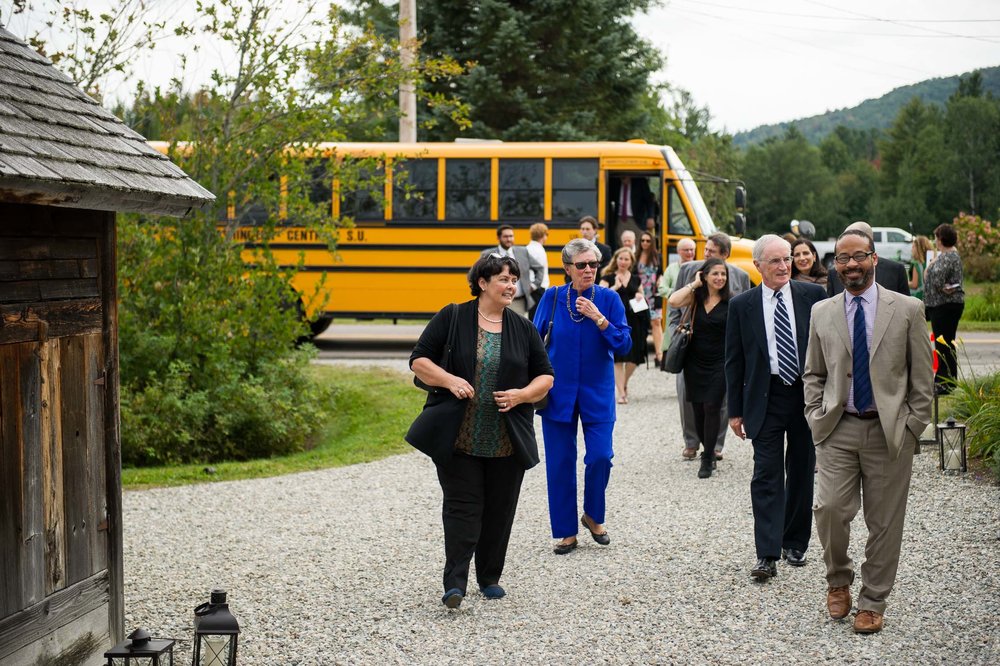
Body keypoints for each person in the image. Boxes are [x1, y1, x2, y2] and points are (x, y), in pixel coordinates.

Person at [804, 228, 933, 634]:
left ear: (874, 259)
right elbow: (814, 372)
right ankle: (838, 579)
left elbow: (922, 377)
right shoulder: (822, 312)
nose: (851, 265)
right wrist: (815, 415)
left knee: (884, 522)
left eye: (858, 256)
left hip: (888, 431)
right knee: (829, 510)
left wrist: (913, 426)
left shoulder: (908, 308)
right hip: (838, 428)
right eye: (842, 259)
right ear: (835, 265)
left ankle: (873, 600)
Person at [409, 254, 554, 608]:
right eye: (503, 279)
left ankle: (489, 578)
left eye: (513, 279)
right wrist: (449, 380)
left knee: (500, 510)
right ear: (482, 283)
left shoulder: (523, 327)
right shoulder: (453, 316)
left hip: (506, 441)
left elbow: (546, 376)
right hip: (459, 437)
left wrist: (522, 395)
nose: (510, 285)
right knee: (462, 509)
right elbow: (419, 360)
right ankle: (454, 583)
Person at [725, 234, 826, 581]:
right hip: (764, 397)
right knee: (766, 474)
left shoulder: (814, 296)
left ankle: (795, 541)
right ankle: (766, 553)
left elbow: (828, 347)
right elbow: (734, 361)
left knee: (801, 468)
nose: (784, 266)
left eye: (787, 259)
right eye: (775, 261)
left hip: (805, 395)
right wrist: (734, 411)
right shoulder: (742, 305)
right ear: (758, 267)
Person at [532, 239, 632, 555]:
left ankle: (593, 515)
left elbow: (625, 345)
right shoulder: (552, 297)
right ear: (567, 269)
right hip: (558, 393)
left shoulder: (609, 299)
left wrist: (599, 319)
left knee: (601, 456)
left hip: (598, 392)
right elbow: (533, 342)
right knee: (560, 463)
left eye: (593, 264)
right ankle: (565, 532)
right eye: (581, 265)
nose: (588, 270)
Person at [670, 232, 752, 460]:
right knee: (689, 400)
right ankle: (691, 441)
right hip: (692, 350)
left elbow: (743, 316)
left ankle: (714, 446)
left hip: (722, 354)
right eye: (705, 250)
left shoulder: (741, 277)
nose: (706, 255)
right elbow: (674, 307)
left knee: (718, 403)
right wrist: (674, 336)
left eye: (712, 252)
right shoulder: (689, 270)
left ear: (725, 255)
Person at [667, 257, 730, 478]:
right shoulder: (695, 297)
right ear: (704, 276)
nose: (720, 278)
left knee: (713, 406)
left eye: (723, 274)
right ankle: (709, 449)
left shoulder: (731, 301)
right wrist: (694, 284)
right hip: (694, 362)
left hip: (720, 363)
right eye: (715, 274)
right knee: (699, 412)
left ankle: (707, 457)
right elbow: (673, 301)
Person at [600, 247, 647, 403]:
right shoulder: (608, 277)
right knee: (618, 359)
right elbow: (600, 296)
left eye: (626, 259)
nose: (623, 261)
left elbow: (642, 296)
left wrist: (641, 296)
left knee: (634, 359)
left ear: (631, 262)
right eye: (621, 258)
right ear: (616, 259)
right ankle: (621, 392)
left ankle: (624, 384)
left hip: (633, 320)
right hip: (615, 321)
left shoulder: (636, 279)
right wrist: (615, 288)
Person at [923, 223, 965, 393]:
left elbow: (937, 280)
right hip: (939, 305)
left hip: (946, 306)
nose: (935, 241)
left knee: (944, 344)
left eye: (936, 237)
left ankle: (945, 382)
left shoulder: (949, 257)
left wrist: (931, 266)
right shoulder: (945, 255)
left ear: (941, 239)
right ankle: (946, 380)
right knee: (944, 344)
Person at [827, 221, 908, 297]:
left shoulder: (895, 270)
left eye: (859, 256)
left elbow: (904, 307)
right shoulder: (834, 274)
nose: (851, 264)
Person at [480, 224, 544, 316]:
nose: (509, 239)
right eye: (505, 236)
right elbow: (477, 275)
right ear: (498, 238)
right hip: (495, 302)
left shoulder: (523, 251)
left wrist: (533, 286)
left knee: (518, 329)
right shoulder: (488, 254)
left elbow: (540, 268)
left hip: (519, 303)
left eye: (511, 236)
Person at [637, 231, 664, 365]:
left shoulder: (658, 256)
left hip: (654, 293)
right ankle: (639, 353)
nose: (645, 243)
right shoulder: (636, 256)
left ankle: (659, 354)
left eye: (648, 241)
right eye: (643, 240)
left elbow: (662, 272)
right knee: (641, 322)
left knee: (657, 322)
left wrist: (661, 278)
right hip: (640, 294)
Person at [611, 175, 655, 246]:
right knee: (621, 243)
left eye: (625, 176)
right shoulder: (615, 183)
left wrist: (650, 217)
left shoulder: (640, 182)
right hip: (620, 220)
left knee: (638, 244)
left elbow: (649, 201)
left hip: (636, 220)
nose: (623, 179)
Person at [525, 222, 550, 318]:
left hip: (531, 288)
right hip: (537, 289)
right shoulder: (539, 250)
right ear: (543, 235)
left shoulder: (527, 248)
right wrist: (533, 286)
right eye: (546, 235)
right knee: (537, 317)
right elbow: (535, 270)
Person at [908, 234, 934, 301]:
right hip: (930, 295)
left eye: (913, 247)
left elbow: (914, 284)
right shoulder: (931, 262)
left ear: (918, 249)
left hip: (919, 296)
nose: (911, 249)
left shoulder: (916, 264)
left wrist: (904, 282)